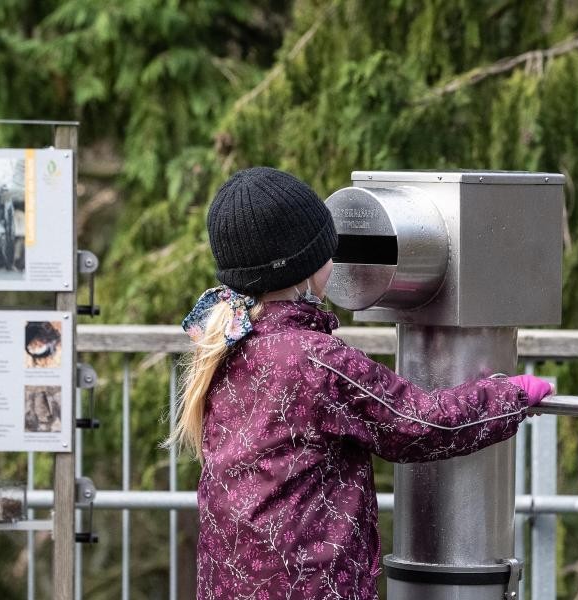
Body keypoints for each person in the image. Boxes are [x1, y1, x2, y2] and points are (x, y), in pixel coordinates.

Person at [170, 167, 552, 600]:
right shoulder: (315, 361)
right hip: (311, 588)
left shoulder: (225, 343)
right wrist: (512, 395)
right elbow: (421, 424)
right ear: (309, 264)